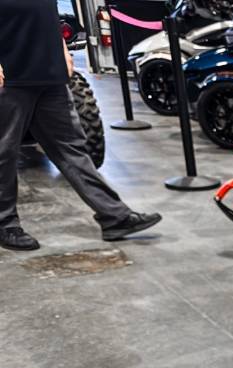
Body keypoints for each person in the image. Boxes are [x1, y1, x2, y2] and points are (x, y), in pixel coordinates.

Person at [0, 0, 161, 251]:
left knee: (72, 148)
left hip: (50, 76)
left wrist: (62, 50)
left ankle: (114, 216)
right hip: (10, 80)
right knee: (5, 153)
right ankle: (5, 224)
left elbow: (48, 17)